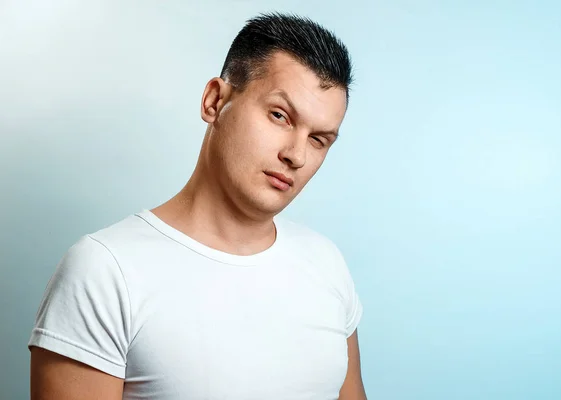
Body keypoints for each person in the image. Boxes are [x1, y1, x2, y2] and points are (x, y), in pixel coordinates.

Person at [29, 12, 366, 400]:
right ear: (215, 101)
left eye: (319, 140)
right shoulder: (104, 271)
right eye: (279, 116)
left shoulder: (326, 262)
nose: (296, 155)